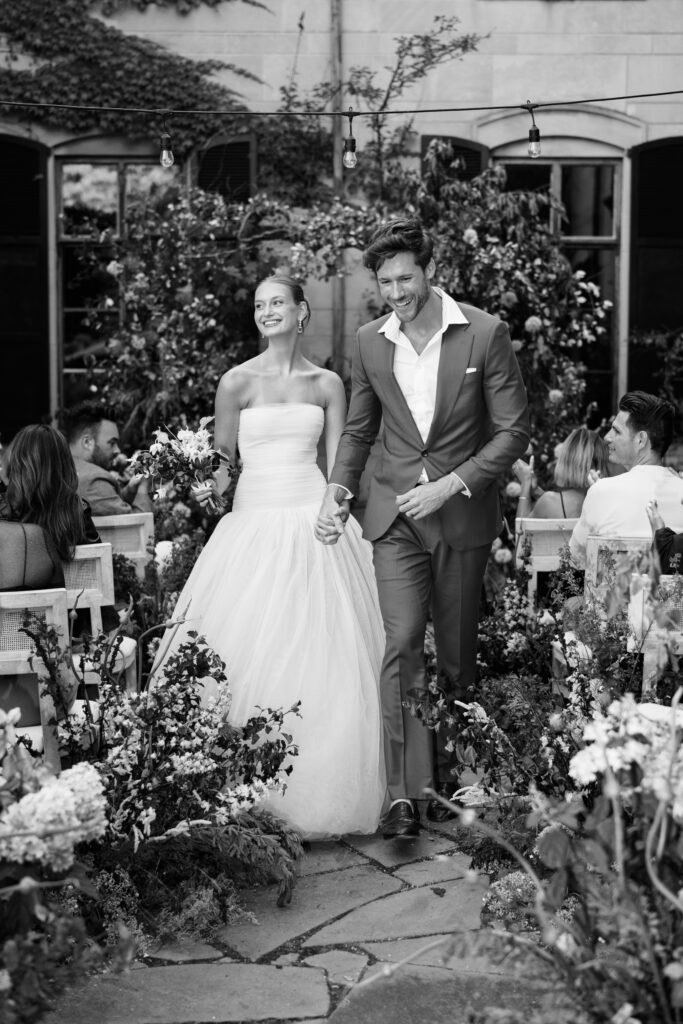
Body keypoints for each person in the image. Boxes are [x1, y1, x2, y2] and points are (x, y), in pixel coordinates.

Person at [315, 217, 530, 839]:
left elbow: (513, 430)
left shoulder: (484, 332)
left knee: (458, 653)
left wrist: (452, 483)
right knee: (402, 640)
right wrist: (336, 493)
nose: (396, 292)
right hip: (393, 518)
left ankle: (456, 777)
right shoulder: (368, 340)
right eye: (385, 281)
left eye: (405, 277)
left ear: (429, 270)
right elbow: (358, 429)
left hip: (459, 513)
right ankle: (403, 794)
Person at [153, 275, 386, 839]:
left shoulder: (327, 383)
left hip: (312, 518)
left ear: (301, 311)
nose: (267, 311)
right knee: (245, 640)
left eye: (277, 302)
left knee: (322, 645)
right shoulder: (235, 383)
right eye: (259, 305)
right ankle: (236, 783)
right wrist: (205, 479)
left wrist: (338, 509)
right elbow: (225, 459)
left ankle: (320, 786)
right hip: (253, 521)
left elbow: (340, 463)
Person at [569, 391, 683, 568]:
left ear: (641, 440)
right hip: (669, 596)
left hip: (611, 596)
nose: (607, 437)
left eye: (616, 431)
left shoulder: (602, 491)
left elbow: (576, 559)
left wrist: (599, 494)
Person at [0, 424, 98, 590]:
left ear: (15, 462)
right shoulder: (75, 513)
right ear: (64, 467)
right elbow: (95, 578)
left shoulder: (4, 510)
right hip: (65, 613)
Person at [61, 401, 152, 515]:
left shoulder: (60, 469)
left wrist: (130, 490)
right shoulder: (93, 480)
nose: (117, 450)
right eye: (112, 443)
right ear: (87, 442)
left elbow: (105, 507)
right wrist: (143, 487)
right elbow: (139, 528)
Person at [512, 427, 610, 519]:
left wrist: (526, 481)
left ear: (566, 459)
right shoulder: (609, 502)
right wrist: (536, 490)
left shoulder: (549, 502)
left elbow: (522, 532)